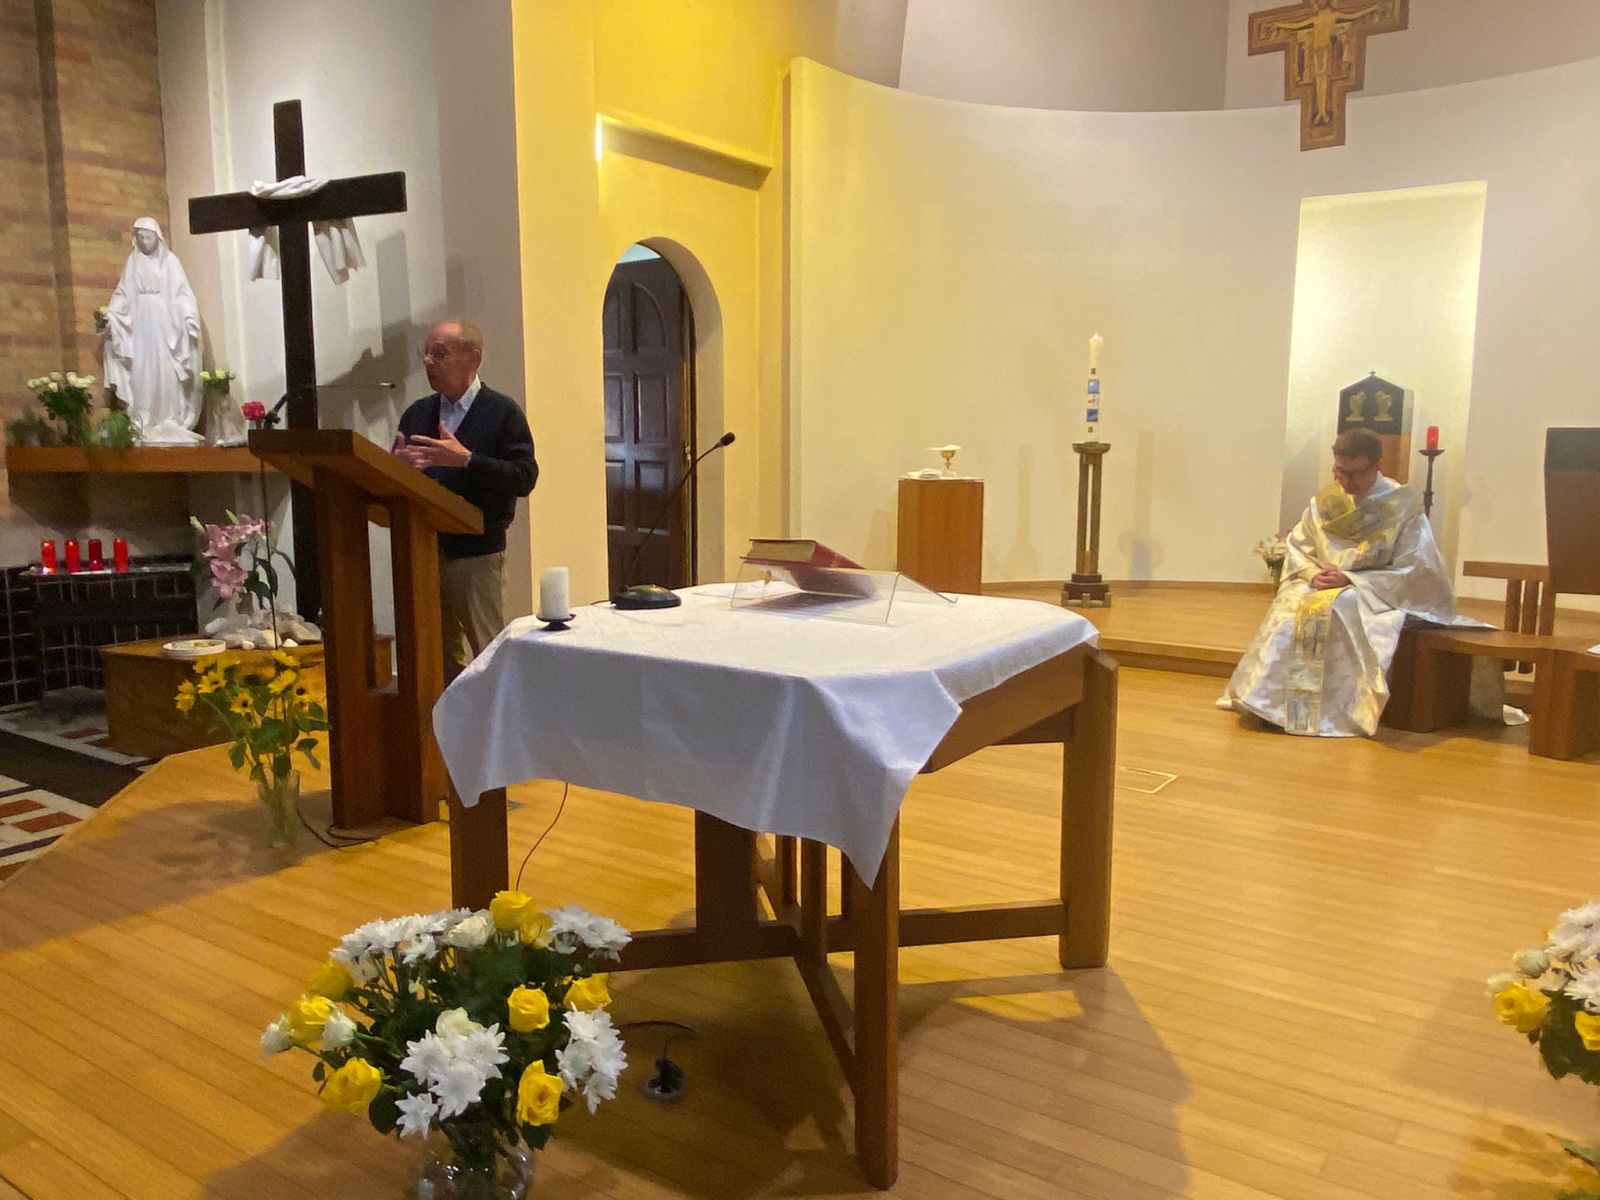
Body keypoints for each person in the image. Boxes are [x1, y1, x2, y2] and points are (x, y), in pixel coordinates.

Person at [1218, 428, 1491, 737]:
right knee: (1291, 604)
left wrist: (1349, 579)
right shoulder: (1326, 502)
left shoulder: (1401, 506)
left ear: (1376, 466)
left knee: (1339, 607)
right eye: (1339, 471)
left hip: (1373, 591)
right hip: (1321, 582)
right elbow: (1299, 546)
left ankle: (1325, 712)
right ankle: (1268, 704)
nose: (1345, 481)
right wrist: (1311, 574)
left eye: (1355, 473)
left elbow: (1416, 566)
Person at [394, 320, 537, 679]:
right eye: (426, 354)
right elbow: (398, 474)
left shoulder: (501, 412)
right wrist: (395, 468)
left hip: (476, 554)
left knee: (488, 657)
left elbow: (524, 477)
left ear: (472, 358)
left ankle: (492, 716)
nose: (428, 361)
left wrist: (467, 460)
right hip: (424, 548)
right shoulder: (417, 414)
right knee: (433, 657)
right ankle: (441, 715)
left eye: (439, 353)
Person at [102, 217, 204, 444]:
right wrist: (110, 316)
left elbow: (182, 294)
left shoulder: (170, 262)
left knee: (165, 369)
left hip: (165, 322)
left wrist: (189, 319)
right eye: (140, 238)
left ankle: (168, 417)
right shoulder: (133, 262)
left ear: (157, 238)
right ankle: (144, 418)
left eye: (148, 237)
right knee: (141, 371)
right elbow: (123, 294)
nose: (145, 241)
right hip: (140, 323)